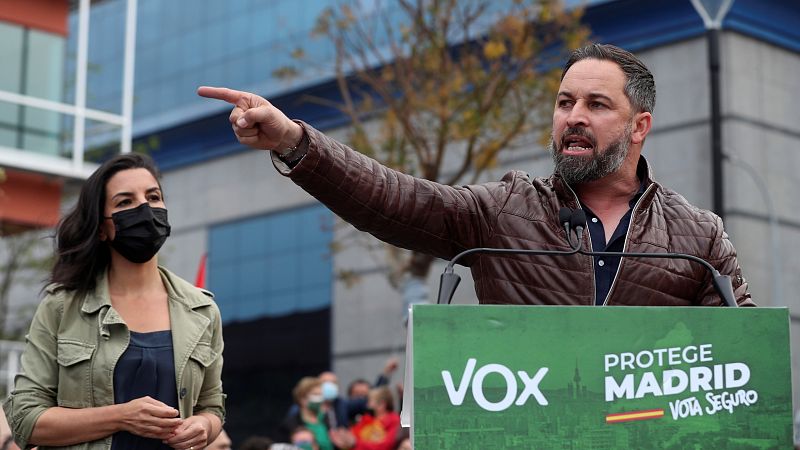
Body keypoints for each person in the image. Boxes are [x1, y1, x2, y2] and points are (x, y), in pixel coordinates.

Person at [197, 43, 754, 307]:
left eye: (597, 104)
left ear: (639, 126)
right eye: (565, 102)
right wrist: (294, 142)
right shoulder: (505, 209)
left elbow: (741, 363)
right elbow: (391, 198)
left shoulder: (699, 237)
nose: (574, 117)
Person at [3, 154, 225, 449]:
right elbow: (24, 418)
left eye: (153, 197)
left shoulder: (202, 310)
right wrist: (121, 417)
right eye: (125, 202)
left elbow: (212, 406)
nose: (144, 208)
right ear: (101, 228)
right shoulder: (62, 307)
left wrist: (204, 425)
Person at [278, 378, 333, 450]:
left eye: (321, 395)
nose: (320, 398)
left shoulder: (327, 418)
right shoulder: (290, 424)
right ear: (302, 399)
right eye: (315, 394)